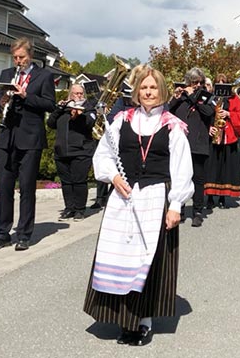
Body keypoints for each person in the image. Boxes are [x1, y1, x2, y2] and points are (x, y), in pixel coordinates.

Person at [83, 65, 194, 347]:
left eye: (153, 88)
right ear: (137, 92)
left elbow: (182, 168)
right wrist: (114, 176)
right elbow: (104, 155)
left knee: (147, 260)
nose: (148, 92)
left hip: (155, 197)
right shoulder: (121, 120)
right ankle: (121, 317)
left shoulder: (172, 126)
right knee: (121, 257)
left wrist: (176, 205)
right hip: (124, 197)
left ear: (162, 91)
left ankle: (142, 321)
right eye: (144, 88)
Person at [0, 37, 56, 252]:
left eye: (22, 57)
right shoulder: (7, 75)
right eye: (15, 57)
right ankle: (2, 234)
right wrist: (1, 102)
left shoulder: (44, 76)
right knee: (4, 187)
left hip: (30, 138)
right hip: (7, 136)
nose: (18, 61)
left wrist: (26, 96)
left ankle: (24, 234)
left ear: (30, 55)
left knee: (26, 188)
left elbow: (49, 104)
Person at [168, 67, 215, 227]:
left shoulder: (206, 97)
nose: (198, 85)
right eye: (195, 82)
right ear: (188, 82)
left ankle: (197, 211)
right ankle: (178, 208)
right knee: (178, 177)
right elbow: (168, 112)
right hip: (180, 144)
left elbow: (208, 112)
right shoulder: (180, 96)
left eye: (201, 82)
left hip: (198, 143)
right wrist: (175, 98)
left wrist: (193, 95)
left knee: (198, 179)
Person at [47, 84, 97, 222]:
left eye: (81, 93)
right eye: (75, 93)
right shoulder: (63, 108)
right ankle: (69, 208)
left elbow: (90, 123)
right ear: (70, 94)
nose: (78, 96)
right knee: (66, 182)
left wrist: (79, 116)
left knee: (79, 181)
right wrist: (59, 109)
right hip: (62, 151)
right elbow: (50, 123)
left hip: (81, 151)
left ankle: (80, 209)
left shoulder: (89, 108)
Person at [205, 74, 240, 209]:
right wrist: (208, 127)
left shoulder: (234, 98)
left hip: (228, 137)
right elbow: (203, 116)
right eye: (219, 83)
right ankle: (210, 197)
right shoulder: (210, 98)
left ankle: (223, 197)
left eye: (224, 83)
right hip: (214, 137)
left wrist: (229, 114)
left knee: (225, 168)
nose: (221, 85)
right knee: (212, 167)